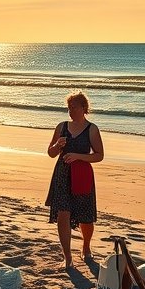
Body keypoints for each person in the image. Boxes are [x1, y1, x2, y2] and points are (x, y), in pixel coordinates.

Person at [45, 91, 105, 267]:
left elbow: (99, 155)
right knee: (63, 214)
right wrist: (57, 145)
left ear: (83, 108)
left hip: (82, 175)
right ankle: (68, 257)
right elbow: (50, 153)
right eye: (68, 107)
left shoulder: (91, 129)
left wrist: (78, 156)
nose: (70, 111)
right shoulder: (61, 127)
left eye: (74, 107)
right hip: (62, 174)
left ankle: (86, 246)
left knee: (85, 218)